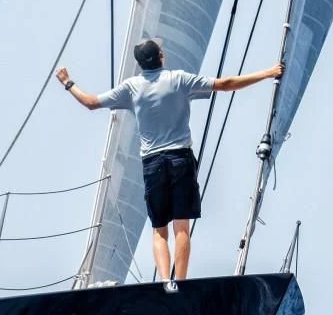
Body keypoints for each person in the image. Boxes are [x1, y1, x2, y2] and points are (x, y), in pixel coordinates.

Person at [58, 39, 282, 287]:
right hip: (180, 159)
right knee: (181, 227)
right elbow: (225, 84)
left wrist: (68, 82)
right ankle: (181, 283)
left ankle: (165, 281)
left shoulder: (131, 88)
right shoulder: (179, 79)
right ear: (161, 56)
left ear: (140, 64)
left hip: (152, 163)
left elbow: (90, 102)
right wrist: (268, 73)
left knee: (159, 229)